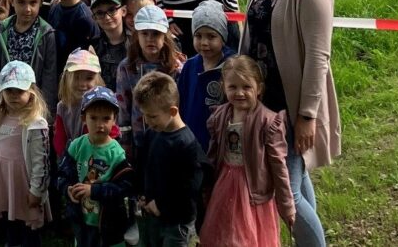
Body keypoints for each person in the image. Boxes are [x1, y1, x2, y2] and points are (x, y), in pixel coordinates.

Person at [241, 0, 341, 247]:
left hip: (291, 103)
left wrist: (308, 115)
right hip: (263, 101)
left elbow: (318, 55)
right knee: (294, 182)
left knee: (288, 196)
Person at [200, 56, 295, 246]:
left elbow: (279, 166)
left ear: (258, 88)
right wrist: (206, 187)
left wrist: (286, 204)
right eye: (233, 87)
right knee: (225, 234)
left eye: (246, 87)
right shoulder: (219, 116)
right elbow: (212, 154)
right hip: (224, 185)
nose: (240, 93)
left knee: (247, 237)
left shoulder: (268, 122)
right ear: (223, 87)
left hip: (252, 192)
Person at [0, 61, 52, 247]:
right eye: (9, 90)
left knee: (28, 226)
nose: (13, 96)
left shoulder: (35, 124)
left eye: (19, 91)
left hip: (23, 183)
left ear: (31, 92)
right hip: (3, 181)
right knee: (8, 219)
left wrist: (37, 190)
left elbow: (41, 161)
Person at [133, 72, 206, 247]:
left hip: (176, 223)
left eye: (152, 116)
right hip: (151, 215)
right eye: (144, 115)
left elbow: (189, 188)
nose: (147, 121)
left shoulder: (187, 145)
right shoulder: (152, 134)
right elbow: (144, 167)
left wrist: (162, 205)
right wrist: (142, 193)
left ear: (173, 111)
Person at [57, 86, 134, 247]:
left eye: (106, 118)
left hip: (109, 225)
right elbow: (62, 176)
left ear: (114, 119)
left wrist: (93, 190)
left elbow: (124, 187)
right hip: (82, 220)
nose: (100, 124)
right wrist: (68, 189)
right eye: (94, 118)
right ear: (84, 118)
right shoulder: (76, 146)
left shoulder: (117, 154)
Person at [116, 5, 184, 156]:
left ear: (165, 36)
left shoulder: (176, 68)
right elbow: (123, 110)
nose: (150, 39)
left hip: (169, 140)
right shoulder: (126, 67)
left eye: (155, 34)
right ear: (136, 36)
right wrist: (125, 144)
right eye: (144, 33)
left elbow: (180, 105)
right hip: (139, 141)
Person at [0, 0, 58, 110]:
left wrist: (46, 112)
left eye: (33, 3)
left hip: (34, 106)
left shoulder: (46, 33)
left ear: (41, 2)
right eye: (21, 2)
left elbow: (49, 76)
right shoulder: (1, 31)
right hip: (7, 103)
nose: (27, 9)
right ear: (12, 0)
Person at [176, 0, 235, 152]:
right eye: (198, 36)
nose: (204, 42)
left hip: (220, 145)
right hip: (191, 142)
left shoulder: (232, 67)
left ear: (223, 37)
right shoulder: (189, 66)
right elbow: (180, 101)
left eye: (211, 36)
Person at [53, 48, 107, 159]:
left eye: (89, 78)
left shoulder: (102, 105)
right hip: (71, 158)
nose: (82, 84)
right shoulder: (63, 107)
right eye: (76, 78)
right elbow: (59, 139)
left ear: (97, 80)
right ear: (67, 79)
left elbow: (113, 132)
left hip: (98, 158)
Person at [90, 0, 131, 92]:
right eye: (100, 13)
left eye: (112, 10)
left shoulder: (137, 43)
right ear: (94, 17)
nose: (107, 17)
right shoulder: (93, 47)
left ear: (123, 11)